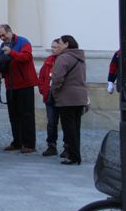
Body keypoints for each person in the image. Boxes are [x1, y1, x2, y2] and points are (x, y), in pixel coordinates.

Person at [0, 24, 38, 153]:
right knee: (14, 115)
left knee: (27, 115)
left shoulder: (23, 42)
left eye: (3, 34)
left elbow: (27, 57)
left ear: (10, 31)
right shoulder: (3, 46)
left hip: (25, 84)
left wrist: (12, 53)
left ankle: (29, 144)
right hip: (11, 85)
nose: (2, 38)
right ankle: (17, 142)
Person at [50, 35, 88, 165]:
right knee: (76, 128)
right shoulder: (80, 58)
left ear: (66, 44)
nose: (58, 46)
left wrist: (54, 91)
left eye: (59, 43)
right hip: (79, 97)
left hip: (67, 97)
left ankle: (73, 156)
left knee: (69, 128)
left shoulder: (64, 58)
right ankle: (76, 155)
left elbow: (57, 78)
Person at [38, 39, 65, 157]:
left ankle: (67, 146)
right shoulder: (49, 60)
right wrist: (43, 90)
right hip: (50, 96)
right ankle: (51, 145)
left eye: (56, 47)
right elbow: (42, 76)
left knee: (65, 123)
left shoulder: (65, 60)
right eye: (52, 47)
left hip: (63, 96)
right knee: (51, 122)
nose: (53, 49)